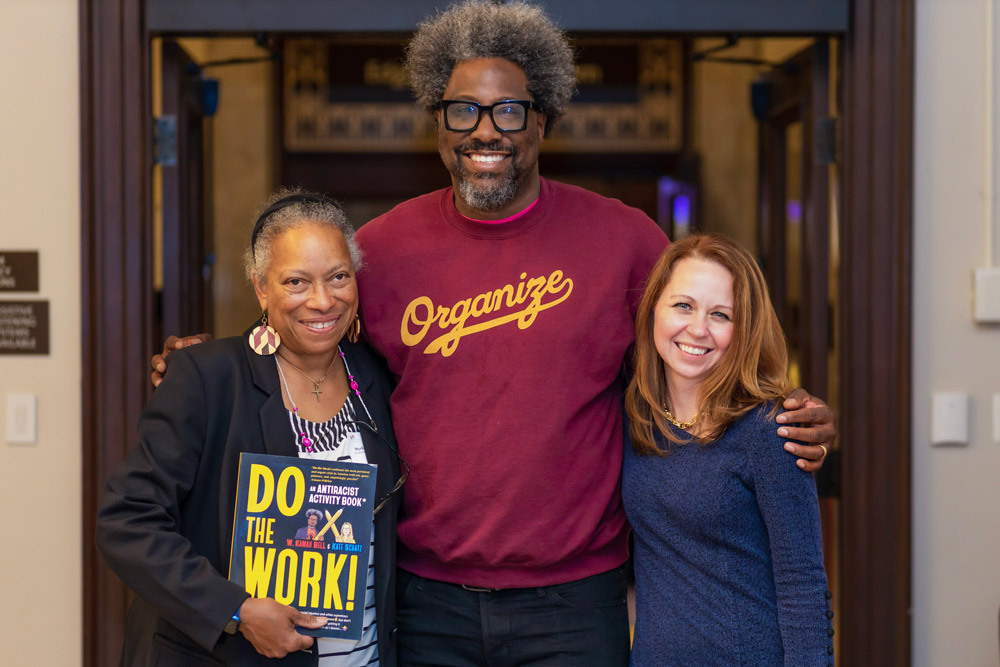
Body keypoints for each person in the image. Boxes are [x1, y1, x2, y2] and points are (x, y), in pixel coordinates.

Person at [151, 2, 835, 664]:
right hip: (425, 601)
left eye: (509, 110)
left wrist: (781, 412)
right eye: (463, 111)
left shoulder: (625, 240)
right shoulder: (383, 247)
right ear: (439, 123)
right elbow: (313, 330)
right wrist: (218, 363)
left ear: (542, 122)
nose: (486, 131)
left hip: (577, 601)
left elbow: (690, 351)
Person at [98, 191, 403, 666]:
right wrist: (234, 610)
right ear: (262, 288)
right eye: (296, 281)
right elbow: (126, 522)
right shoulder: (207, 378)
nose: (323, 301)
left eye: (339, 277)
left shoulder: (376, 376)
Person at [622, 233, 833, 665]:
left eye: (720, 314)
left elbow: (803, 582)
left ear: (744, 330)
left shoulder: (768, 431)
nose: (697, 329)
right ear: (653, 310)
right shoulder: (635, 419)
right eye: (683, 305)